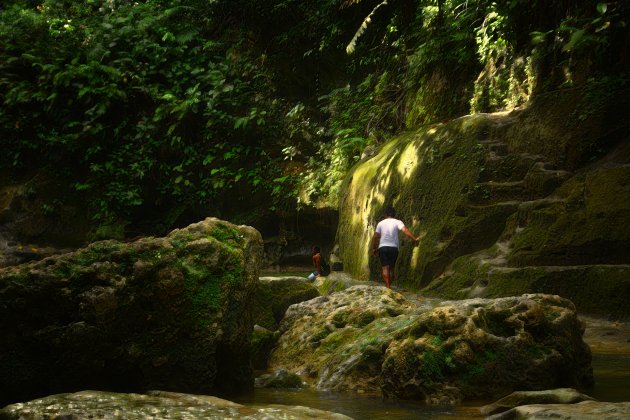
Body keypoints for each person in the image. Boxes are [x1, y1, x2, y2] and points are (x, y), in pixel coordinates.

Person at [371, 206, 419, 288]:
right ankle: (389, 286)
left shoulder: (380, 223)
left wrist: (374, 248)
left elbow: (375, 236)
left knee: (385, 268)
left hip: (383, 248)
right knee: (392, 268)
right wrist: (414, 239)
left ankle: (388, 287)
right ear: (394, 214)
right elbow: (405, 231)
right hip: (394, 248)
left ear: (385, 214)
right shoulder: (398, 222)